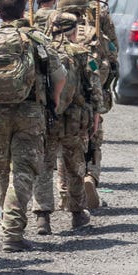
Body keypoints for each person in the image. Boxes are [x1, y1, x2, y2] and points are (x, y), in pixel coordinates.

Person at [0, 0, 66, 252]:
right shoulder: (35, 38)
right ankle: (13, 233)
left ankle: (6, 222)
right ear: (23, 12)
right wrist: (53, 101)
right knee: (23, 170)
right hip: (29, 112)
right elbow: (60, 74)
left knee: (2, 168)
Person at [32, 12, 103, 234]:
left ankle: (43, 216)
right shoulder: (82, 53)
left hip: (47, 118)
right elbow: (94, 86)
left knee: (44, 166)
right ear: (74, 30)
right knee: (75, 165)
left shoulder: (42, 51)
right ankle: (77, 213)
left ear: (51, 28)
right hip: (74, 120)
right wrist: (96, 115)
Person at [47, 0, 112, 209]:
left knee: (60, 153)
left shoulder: (49, 36)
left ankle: (64, 194)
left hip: (55, 106)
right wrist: (99, 105)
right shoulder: (93, 34)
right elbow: (105, 65)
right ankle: (89, 178)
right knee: (91, 145)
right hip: (84, 104)